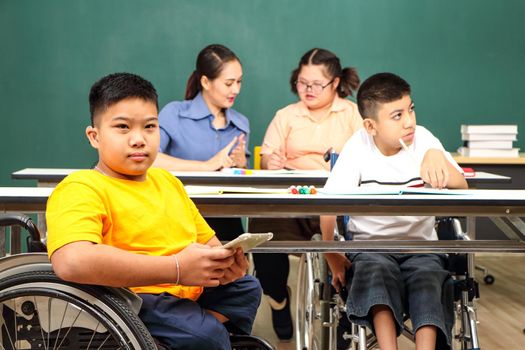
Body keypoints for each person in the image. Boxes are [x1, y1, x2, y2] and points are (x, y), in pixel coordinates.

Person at [46, 72, 262, 350]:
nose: (139, 139)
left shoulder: (167, 181)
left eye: (150, 126)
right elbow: (71, 261)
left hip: (183, 294)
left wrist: (224, 265)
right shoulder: (82, 187)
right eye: (123, 127)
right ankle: (196, 335)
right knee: (206, 336)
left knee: (246, 288)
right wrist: (176, 269)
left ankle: (175, 338)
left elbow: (209, 243)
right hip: (132, 298)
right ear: (94, 136)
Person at [320, 72, 468, 350]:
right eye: (397, 115)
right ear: (371, 126)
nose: (409, 121)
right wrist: (333, 256)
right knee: (375, 272)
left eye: (410, 109)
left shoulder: (423, 139)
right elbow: (327, 206)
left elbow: (461, 184)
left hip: (420, 248)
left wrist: (437, 157)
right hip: (371, 248)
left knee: (429, 278)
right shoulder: (357, 147)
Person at [249, 48, 363, 340]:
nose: (308, 90)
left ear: (335, 83)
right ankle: (277, 298)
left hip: (337, 201)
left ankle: (347, 314)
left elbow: (367, 157)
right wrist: (269, 162)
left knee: (353, 241)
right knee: (263, 232)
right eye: (302, 82)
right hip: (293, 200)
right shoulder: (286, 115)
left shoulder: (353, 114)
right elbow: (267, 156)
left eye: (316, 84)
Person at [153, 44, 249, 241]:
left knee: (235, 256)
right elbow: (150, 159)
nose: (236, 89)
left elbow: (244, 181)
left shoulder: (240, 124)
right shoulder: (175, 113)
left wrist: (242, 164)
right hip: (177, 211)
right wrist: (206, 166)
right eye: (229, 83)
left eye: (239, 82)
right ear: (206, 82)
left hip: (224, 215)